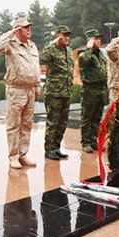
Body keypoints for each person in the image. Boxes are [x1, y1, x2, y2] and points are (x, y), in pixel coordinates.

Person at [0, 17, 40, 169]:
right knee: (14, 125)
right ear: (17, 30)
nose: (29, 30)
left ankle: (23, 154)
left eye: (29, 27)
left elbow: (36, 66)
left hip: (30, 89)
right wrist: (10, 33)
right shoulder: (10, 45)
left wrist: (37, 85)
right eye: (25, 27)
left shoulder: (32, 46)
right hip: (16, 89)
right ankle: (13, 156)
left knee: (27, 124)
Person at [40, 25, 74, 160]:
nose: (67, 37)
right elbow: (43, 59)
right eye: (63, 35)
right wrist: (51, 44)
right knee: (52, 122)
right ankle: (49, 149)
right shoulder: (51, 50)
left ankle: (56, 148)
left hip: (66, 92)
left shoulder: (69, 51)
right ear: (57, 36)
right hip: (54, 93)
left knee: (62, 123)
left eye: (68, 35)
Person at [78, 29, 108, 153]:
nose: (99, 40)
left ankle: (93, 140)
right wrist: (89, 48)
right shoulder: (84, 54)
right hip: (89, 90)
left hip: (100, 89)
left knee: (97, 117)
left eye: (99, 38)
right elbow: (83, 60)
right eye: (95, 38)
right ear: (89, 40)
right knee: (87, 117)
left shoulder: (100, 53)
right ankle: (85, 142)